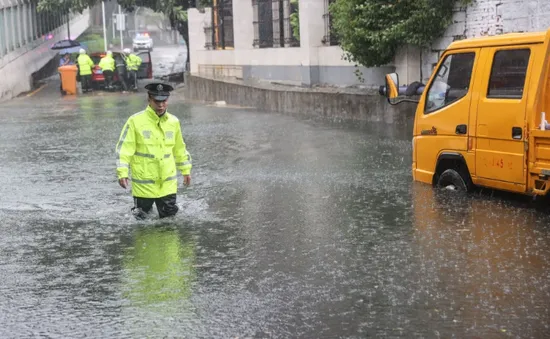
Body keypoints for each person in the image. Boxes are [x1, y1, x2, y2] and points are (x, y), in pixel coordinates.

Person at [115, 83, 192, 220]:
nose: (161, 105)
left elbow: (180, 148)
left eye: (164, 101)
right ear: (149, 99)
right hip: (143, 185)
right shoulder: (135, 121)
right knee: (142, 222)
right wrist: (122, 173)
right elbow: (124, 149)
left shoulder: (173, 122)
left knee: (170, 222)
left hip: (167, 184)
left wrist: (186, 170)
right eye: (157, 101)